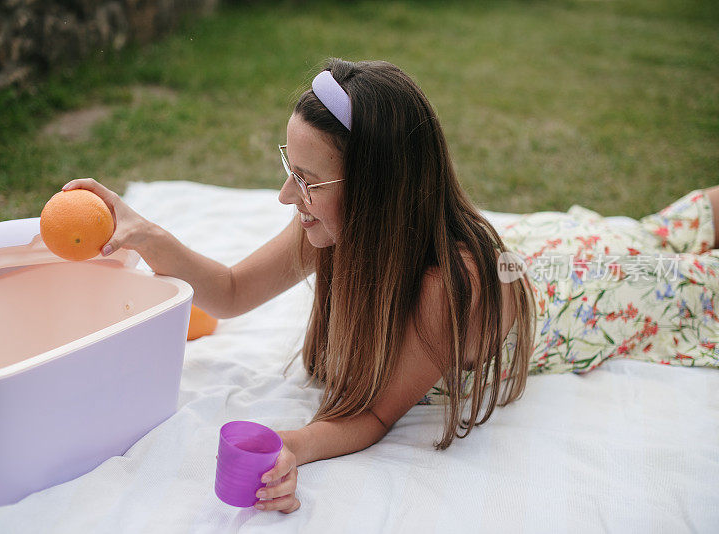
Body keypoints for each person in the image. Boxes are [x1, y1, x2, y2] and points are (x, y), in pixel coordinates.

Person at [61, 58, 719, 514]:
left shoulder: (443, 291)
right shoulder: (330, 231)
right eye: (290, 168)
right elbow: (231, 291)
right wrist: (147, 235)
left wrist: (297, 444)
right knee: (656, 231)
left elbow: (374, 415)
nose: (288, 194)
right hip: (530, 255)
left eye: (310, 181)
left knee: (680, 274)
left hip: (575, 294)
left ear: (380, 193)